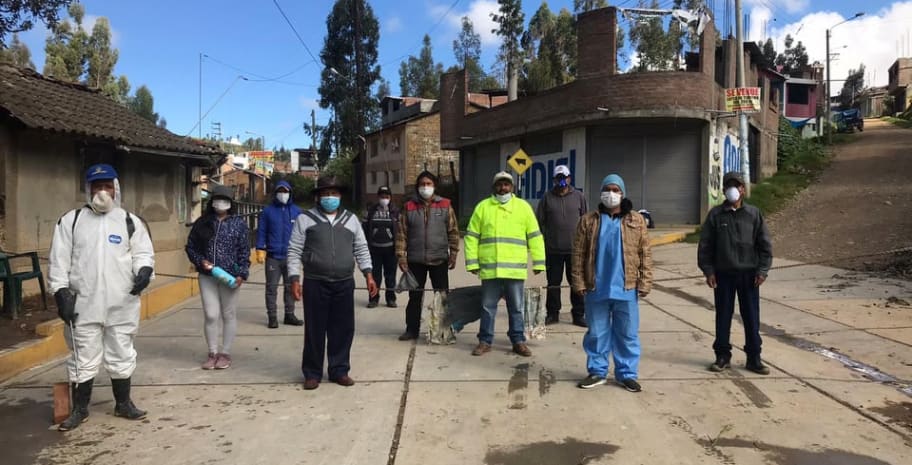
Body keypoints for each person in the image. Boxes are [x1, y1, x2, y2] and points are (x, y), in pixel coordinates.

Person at [49, 163, 154, 431]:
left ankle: (123, 404)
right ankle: (80, 409)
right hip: (82, 303)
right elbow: (59, 260)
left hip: (122, 303)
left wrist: (144, 272)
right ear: (88, 189)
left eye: (108, 186)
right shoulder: (71, 221)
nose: (103, 192)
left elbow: (143, 253)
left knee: (121, 351)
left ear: (116, 189)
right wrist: (60, 292)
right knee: (83, 355)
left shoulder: (131, 221)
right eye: (98, 187)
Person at [287, 176, 379, 390]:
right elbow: (294, 250)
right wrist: (294, 278)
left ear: (340, 196)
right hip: (315, 282)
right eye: (326, 194)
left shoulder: (351, 220)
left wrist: (368, 273)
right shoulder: (305, 219)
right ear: (318, 197)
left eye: (334, 194)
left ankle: (339, 370)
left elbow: (361, 248)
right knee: (314, 330)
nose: (330, 197)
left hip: (344, 283)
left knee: (343, 329)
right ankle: (312, 373)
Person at [571, 174, 653, 393]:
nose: (611, 193)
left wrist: (645, 282)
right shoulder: (588, 220)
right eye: (607, 189)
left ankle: (627, 374)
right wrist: (577, 281)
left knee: (627, 334)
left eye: (616, 189)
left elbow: (645, 253)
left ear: (623, 193)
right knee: (597, 333)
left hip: (626, 288)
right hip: (595, 287)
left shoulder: (636, 221)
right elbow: (578, 254)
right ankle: (597, 371)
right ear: (601, 193)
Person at [698, 171, 773, 375]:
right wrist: (709, 271)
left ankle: (754, 357)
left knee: (751, 317)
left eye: (738, 185)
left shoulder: (753, 214)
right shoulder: (715, 215)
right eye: (730, 185)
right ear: (724, 190)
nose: (734, 189)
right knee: (723, 316)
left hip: (749, 276)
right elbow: (705, 246)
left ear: (743, 189)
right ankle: (722, 356)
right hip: (723, 275)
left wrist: (762, 270)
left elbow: (764, 245)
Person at [464, 171, 545, 357]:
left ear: (512, 187)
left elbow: (535, 235)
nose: (503, 188)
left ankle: (518, 341)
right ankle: (485, 341)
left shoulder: (523, 208)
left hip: (514, 270)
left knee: (516, 308)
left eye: (506, 184)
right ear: (494, 187)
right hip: (490, 269)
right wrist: (472, 263)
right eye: (500, 184)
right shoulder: (483, 208)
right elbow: (471, 237)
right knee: (487, 307)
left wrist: (539, 262)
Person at [185, 185, 250, 371]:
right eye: (217, 199)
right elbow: (191, 247)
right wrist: (201, 261)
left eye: (224, 199)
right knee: (211, 314)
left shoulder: (238, 224)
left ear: (231, 203)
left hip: (230, 277)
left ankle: (225, 353)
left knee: (228, 314)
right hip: (207, 275)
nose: (220, 203)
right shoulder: (202, 222)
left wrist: (242, 273)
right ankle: (212, 352)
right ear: (212, 202)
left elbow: (244, 251)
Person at [395, 171, 460, 341]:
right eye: (422, 184)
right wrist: (401, 257)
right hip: (415, 260)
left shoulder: (445, 205)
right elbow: (401, 234)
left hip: (439, 259)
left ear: (435, 186)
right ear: (417, 187)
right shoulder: (409, 207)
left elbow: (453, 232)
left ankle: (443, 329)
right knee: (415, 297)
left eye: (429, 184)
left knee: (442, 296)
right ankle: (411, 329)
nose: (425, 187)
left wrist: (453, 254)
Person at [536, 164, 588, 327]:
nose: (561, 181)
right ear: (554, 180)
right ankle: (552, 314)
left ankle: (578, 314)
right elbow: (539, 222)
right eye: (558, 178)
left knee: (576, 283)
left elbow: (585, 220)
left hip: (575, 250)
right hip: (553, 250)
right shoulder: (547, 197)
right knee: (553, 283)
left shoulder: (579, 196)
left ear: (569, 178)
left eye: (564, 178)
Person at [255, 180, 303, 328]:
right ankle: (272, 317)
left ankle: (289, 314)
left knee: (290, 287)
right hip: (273, 257)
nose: (283, 194)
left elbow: (303, 233)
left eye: (285, 191)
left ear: (290, 193)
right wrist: (260, 248)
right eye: (280, 191)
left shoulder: (297, 211)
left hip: (291, 257)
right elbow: (261, 231)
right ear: (275, 193)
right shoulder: (268, 212)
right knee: (271, 288)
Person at [363, 185, 400, 309]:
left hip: (390, 250)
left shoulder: (395, 211)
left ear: (390, 197)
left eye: (387, 196)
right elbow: (364, 228)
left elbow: (400, 230)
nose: (384, 199)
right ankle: (373, 298)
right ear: (378, 197)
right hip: (374, 249)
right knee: (375, 276)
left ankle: (391, 298)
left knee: (390, 276)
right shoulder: (371, 210)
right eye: (382, 196)